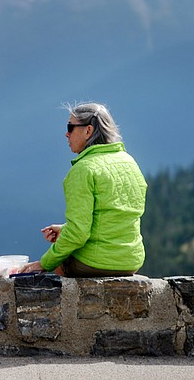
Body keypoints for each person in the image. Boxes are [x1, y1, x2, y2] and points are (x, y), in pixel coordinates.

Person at [22, 102, 147, 277]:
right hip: (131, 260)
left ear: (88, 131)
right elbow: (112, 216)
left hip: (96, 262)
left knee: (55, 265)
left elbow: (78, 234)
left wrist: (43, 263)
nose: (66, 133)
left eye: (70, 127)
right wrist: (65, 229)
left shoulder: (83, 169)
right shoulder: (129, 162)